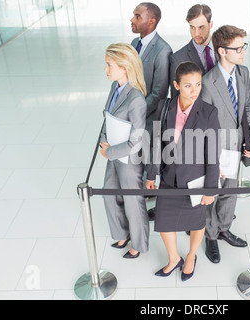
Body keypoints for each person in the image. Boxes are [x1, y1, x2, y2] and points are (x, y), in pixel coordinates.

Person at [146, 62, 221, 281]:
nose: (194, 90)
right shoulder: (164, 107)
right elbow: (156, 143)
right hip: (169, 177)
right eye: (188, 85)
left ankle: (190, 256)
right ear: (176, 85)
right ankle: (173, 258)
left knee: (197, 222)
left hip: (195, 180)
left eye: (198, 84)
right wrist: (151, 174)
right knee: (163, 221)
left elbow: (212, 155)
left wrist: (210, 189)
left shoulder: (209, 113)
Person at [200, 25, 250, 264]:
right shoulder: (207, 82)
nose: (243, 51)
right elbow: (203, 126)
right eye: (238, 48)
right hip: (216, 148)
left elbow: (246, 110)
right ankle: (211, 235)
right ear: (222, 51)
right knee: (212, 193)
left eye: (244, 46)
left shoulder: (243, 73)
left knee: (231, 190)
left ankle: (224, 228)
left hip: (237, 145)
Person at [99, 43, 149, 259]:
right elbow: (107, 116)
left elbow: (136, 141)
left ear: (124, 67)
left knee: (132, 201)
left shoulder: (136, 99)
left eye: (109, 65)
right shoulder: (114, 88)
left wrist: (109, 153)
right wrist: (103, 141)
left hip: (127, 158)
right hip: (112, 151)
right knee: (108, 192)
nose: (106, 69)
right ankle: (121, 232)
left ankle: (138, 244)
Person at [130, 2, 172, 135]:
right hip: (129, 112)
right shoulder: (134, 43)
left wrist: (136, 112)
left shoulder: (163, 50)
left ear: (151, 22)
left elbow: (159, 93)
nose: (132, 20)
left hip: (145, 119)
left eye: (137, 17)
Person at [169, 4, 216, 98]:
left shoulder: (222, 49)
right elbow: (176, 99)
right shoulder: (178, 59)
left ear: (211, 25)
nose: (196, 33)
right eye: (192, 27)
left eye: (201, 27)